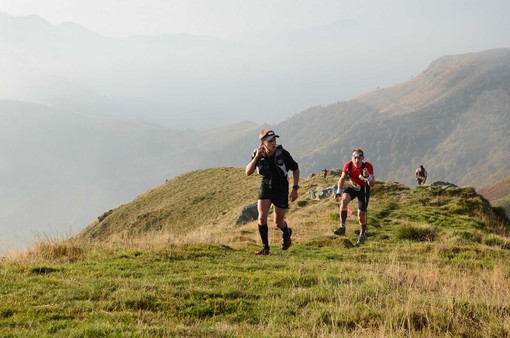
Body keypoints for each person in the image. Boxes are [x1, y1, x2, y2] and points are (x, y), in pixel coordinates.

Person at [245, 129, 300, 255]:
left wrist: (295, 188)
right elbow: (248, 172)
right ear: (263, 143)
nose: (273, 143)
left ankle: (286, 232)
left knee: (278, 222)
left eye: (274, 140)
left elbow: (296, 169)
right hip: (266, 185)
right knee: (261, 217)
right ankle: (265, 248)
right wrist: (257, 157)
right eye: (270, 141)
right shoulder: (258, 153)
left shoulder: (283, 153)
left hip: (281, 187)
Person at [333, 148, 375, 245]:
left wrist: (367, 176)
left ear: (362, 158)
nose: (357, 160)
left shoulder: (368, 166)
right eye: (355, 157)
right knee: (343, 201)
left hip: (364, 188)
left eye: (359, 157)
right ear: (352, 158)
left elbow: (372, 184)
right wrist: (338, 192)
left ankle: (363, 234)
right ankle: (342, 227)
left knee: (360, 216)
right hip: (353, 186)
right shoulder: (348, 165)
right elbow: (342, 178)